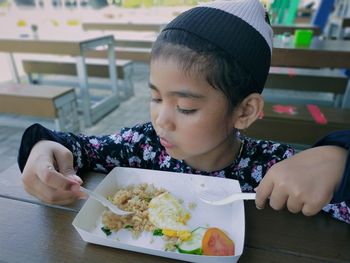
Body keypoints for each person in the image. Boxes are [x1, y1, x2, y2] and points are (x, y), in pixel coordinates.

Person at [17, 0, 349, 224]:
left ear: (245, 111)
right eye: (156, 98)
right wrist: (43, 148)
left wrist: (339, 161)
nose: (161, 120)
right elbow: (79, 148)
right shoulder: (142, 145)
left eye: (186, 107)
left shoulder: (275, 170)